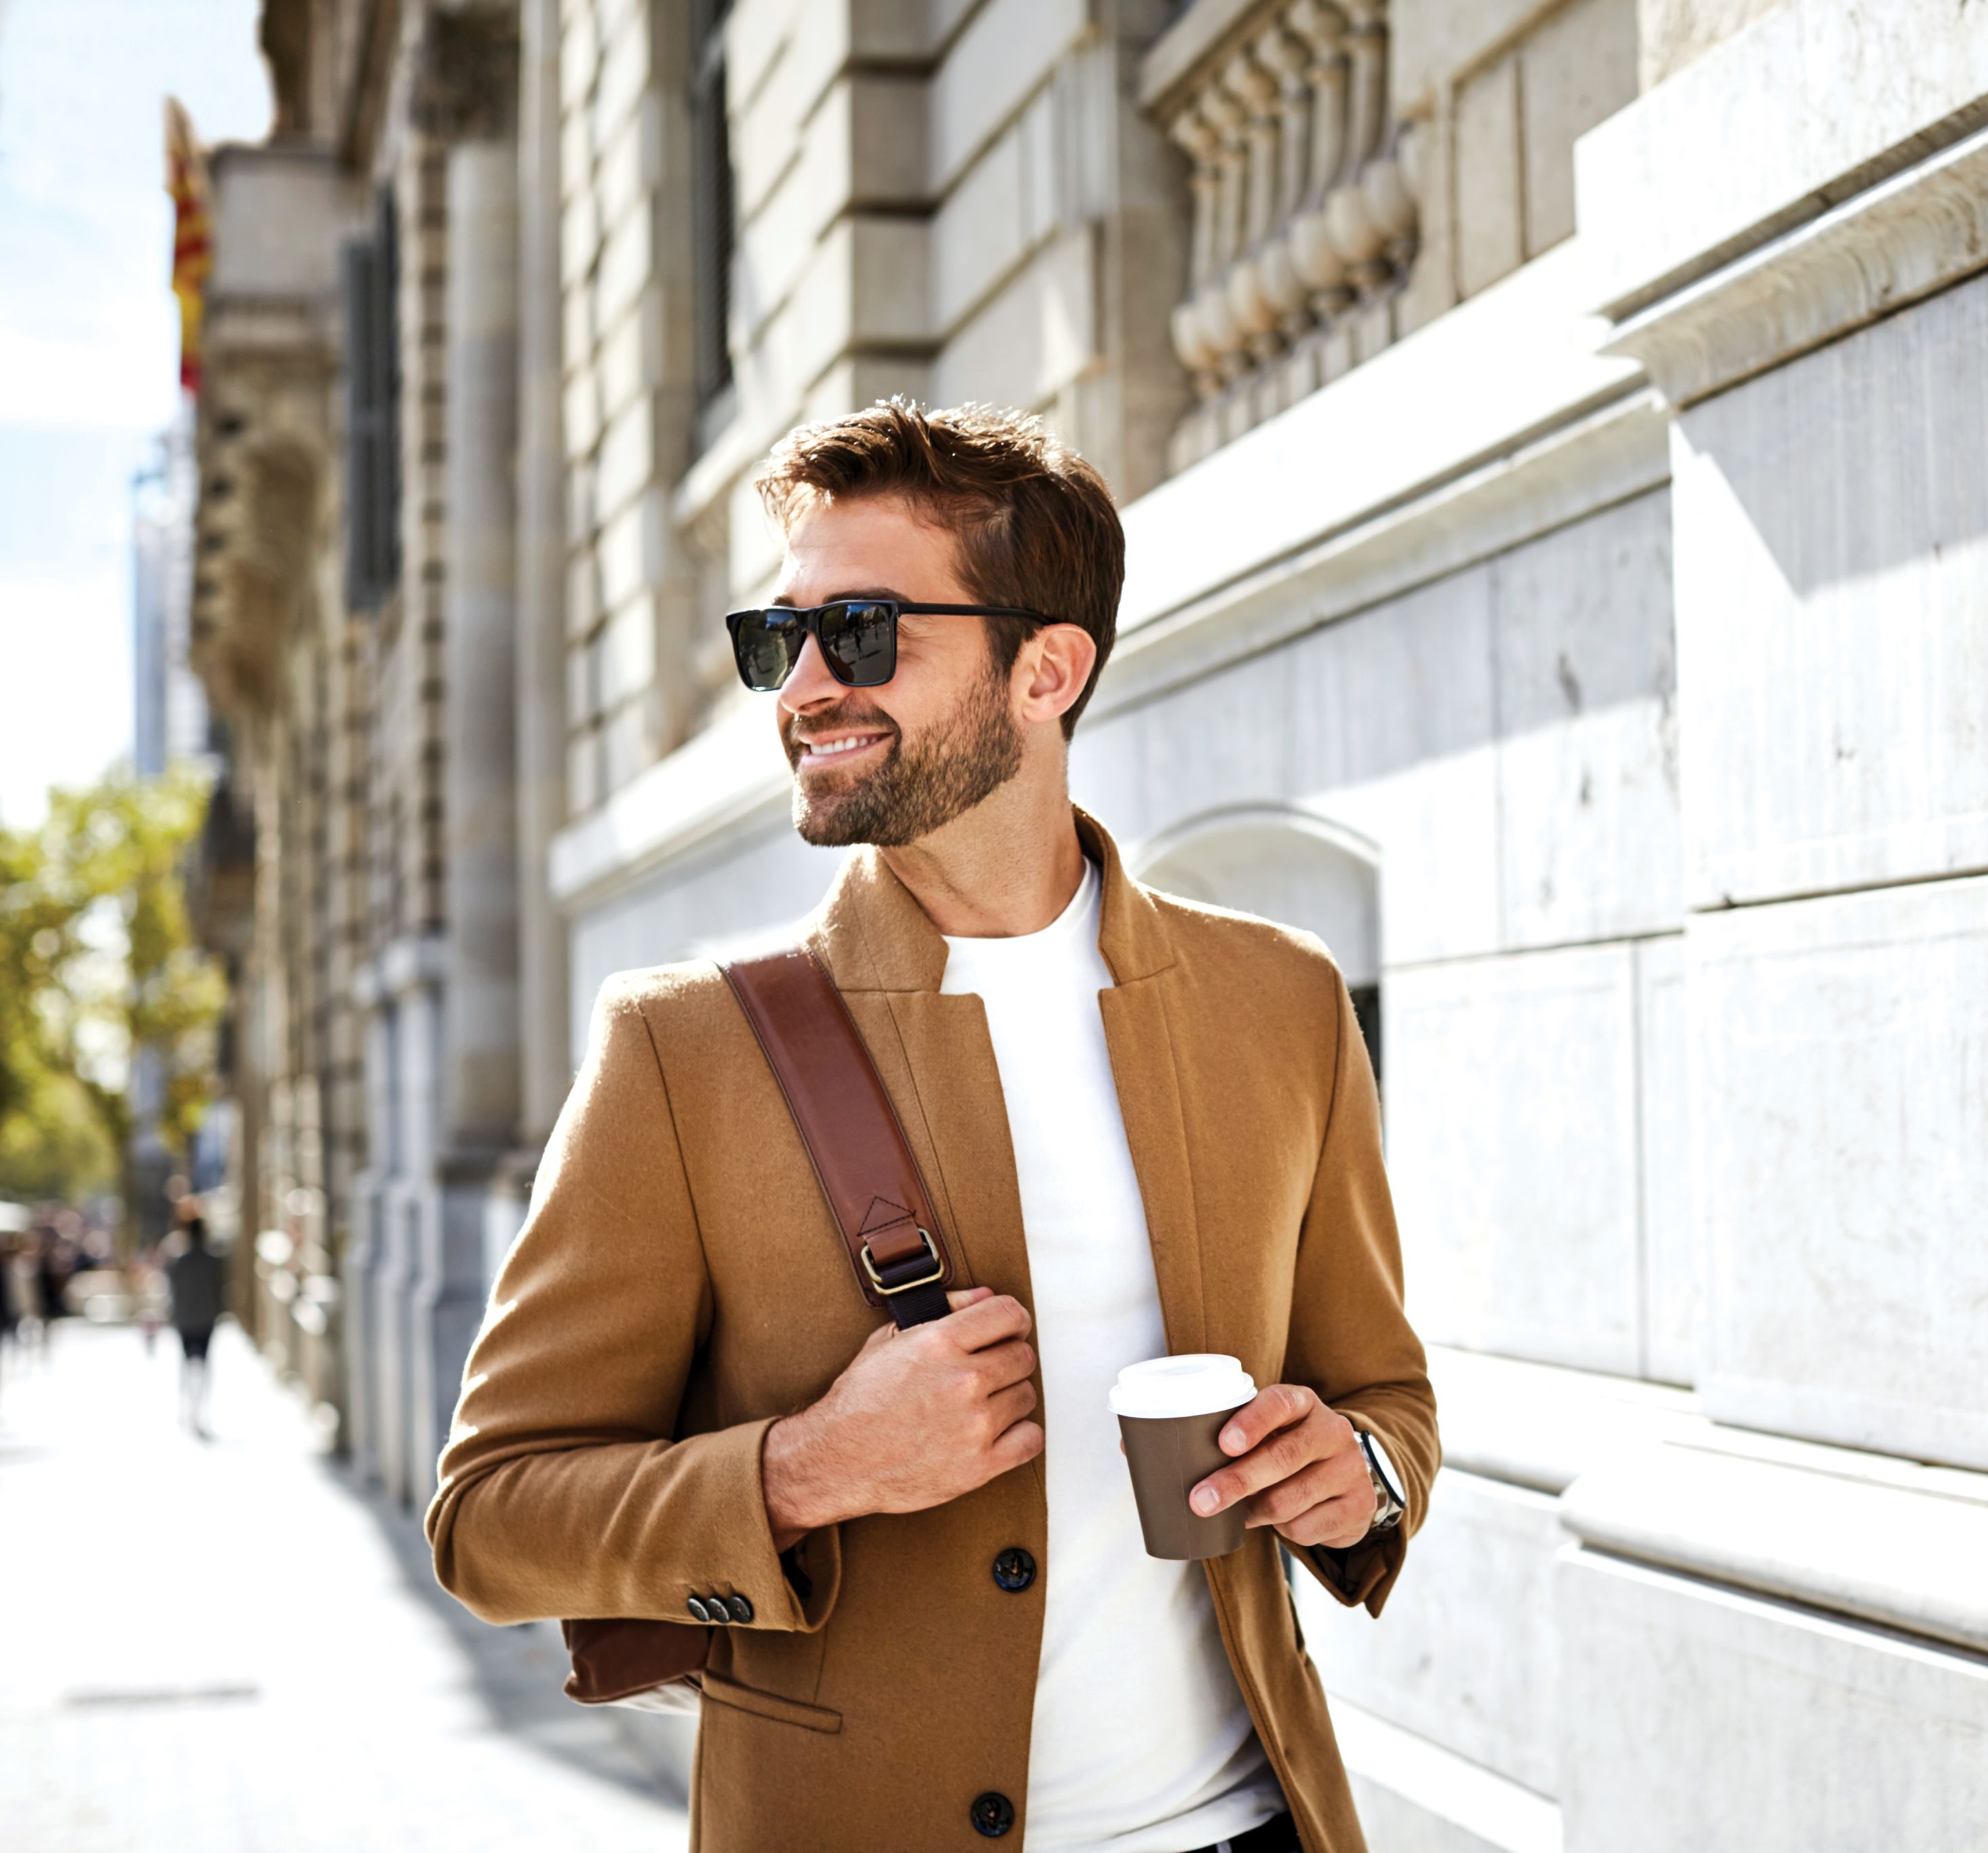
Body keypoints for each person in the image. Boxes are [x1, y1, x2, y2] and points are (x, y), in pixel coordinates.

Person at [429, 401, 1437, 1853]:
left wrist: (1360, 1472)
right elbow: (490, 1519)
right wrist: (806, 1469)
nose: (803, 688)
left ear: (1047, 668)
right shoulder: (681, 1048)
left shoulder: (1276, 1000)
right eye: (780, 640)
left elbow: (1385, 1392)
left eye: (860, 628)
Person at [164, 1212, 227, 1436]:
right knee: (203, 1364)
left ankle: (188, 1408)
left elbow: (173, 1292)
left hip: (186, 1319)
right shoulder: (214, 1261)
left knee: (187, 1363)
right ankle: (196, 1409)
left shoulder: (179, 1261)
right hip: (205, 1318)